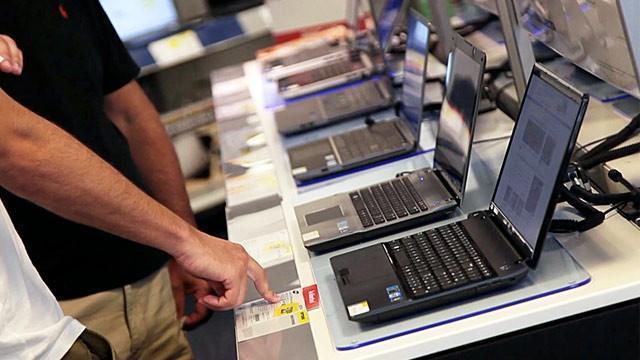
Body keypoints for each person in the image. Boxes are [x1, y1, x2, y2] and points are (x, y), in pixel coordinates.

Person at [0, 2, 275, 358]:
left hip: (146, 274)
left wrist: (186, 243)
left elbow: (132, 114)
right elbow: (17, 147)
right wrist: (186, 241)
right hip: (57, 309)